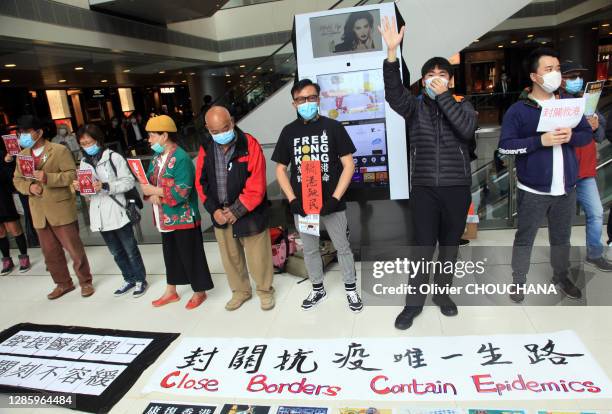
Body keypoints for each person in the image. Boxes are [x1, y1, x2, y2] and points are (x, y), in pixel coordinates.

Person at [379, 17, 478, 330]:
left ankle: (443, 295)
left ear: (450, 80)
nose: (436, 80)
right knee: (423, 247)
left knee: (449, 245)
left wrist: (444, 97)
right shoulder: (414, 107)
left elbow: (465, 129)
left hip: (456, 188)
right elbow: (394, 94)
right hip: (423, 188)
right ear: (422, 81)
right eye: (430, 76)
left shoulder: (464, 105)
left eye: (442, 76)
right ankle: (413, 304)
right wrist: (392, 54)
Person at [497, 47, 592, 303]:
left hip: (566, 188)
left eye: (558, 69)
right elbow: (505, 146)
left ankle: (561, 276)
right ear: (534, 76)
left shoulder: (567, 105)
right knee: (525, 236)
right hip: (534, 190)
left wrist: (572, 135)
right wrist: (541, 141)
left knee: (562, 238)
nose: (556, 74)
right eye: (548, 70)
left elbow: (586, 135)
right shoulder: (518, 110)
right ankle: (519, 280)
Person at [272, 79, 363, 313]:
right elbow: (280, 169)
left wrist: (335, 198)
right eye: (301, 99)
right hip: (304, 205)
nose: (307, 103)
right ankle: (317, 288)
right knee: (310, 249)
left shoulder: (333, 127)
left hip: (333, 204)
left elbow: (349, 165)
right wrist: (292, 199)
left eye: (311, 98)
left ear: (319, 100)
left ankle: (351, 289)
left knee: (343, 247)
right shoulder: (288, 132)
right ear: (294, 104)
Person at [195, 106, 275, 311]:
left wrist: (236, 210)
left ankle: (265, 291)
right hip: (220, 213)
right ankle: (240, 292)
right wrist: (214, 210)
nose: (221, 134)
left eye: (225, 127)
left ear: (232, 121)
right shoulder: (206, 148)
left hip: (249, 212)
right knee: (231, 258)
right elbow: (201, 182)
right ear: (207, 129)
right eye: (215, 132)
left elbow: (257, 184)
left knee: (259, 257)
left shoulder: (249, 144)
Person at [12, 115, 94, 300]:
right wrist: (29, 187)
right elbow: (17, 180)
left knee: (74, 249)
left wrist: (48, 178)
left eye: (26, 132)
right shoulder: (23, 155)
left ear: (39, 132)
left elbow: (71, 175)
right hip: (39, 212)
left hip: (60, 208)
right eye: (20, 133)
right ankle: (63, 283)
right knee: (50, 253)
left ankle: (85, 281)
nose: (22, 136)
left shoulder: (58, 150)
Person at [140, 115, 214, 309]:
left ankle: (200, 291)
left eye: (152, 135)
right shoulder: (157, 158)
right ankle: (171, 290)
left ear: (164, 136)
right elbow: (149, 180)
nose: (149, 140)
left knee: (191, 254)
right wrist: (151, 193)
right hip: (164, 217)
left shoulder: (181, 158)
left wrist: (156, 192)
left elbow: (183, 190)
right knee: (170, 254)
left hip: (183, 216)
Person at [73, 124, 148, 297]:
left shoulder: (114, 157)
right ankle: (128, 278)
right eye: (82, 143)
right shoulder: (84, 162)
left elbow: (129, 181)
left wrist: (106, 186)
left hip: (117, 209)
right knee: (115, 251)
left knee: (130, 249)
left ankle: (140, 279)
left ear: (98, 140)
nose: (86, 146)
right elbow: (88, 191)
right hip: (99, 213)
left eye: (89, 142)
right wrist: (81, 187)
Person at [559, 61, 612, 271]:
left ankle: (594, 253)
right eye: (571, 76)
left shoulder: (587, 100)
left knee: (596, 212)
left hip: (587, 170)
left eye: (578, 76)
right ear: (560, 78)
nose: (576, 81)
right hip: (564, 171)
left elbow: (600, 134)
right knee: (563, 220)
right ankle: (562, 263)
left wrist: (595, 125)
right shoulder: (556, 102)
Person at [1, 145, 31, 275]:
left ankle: (24, 257)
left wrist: (7, 161)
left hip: (3, 197)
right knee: (0, 232)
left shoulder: (2, 154)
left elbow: (11, 176)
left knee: (15, 229)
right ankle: (7, 260)